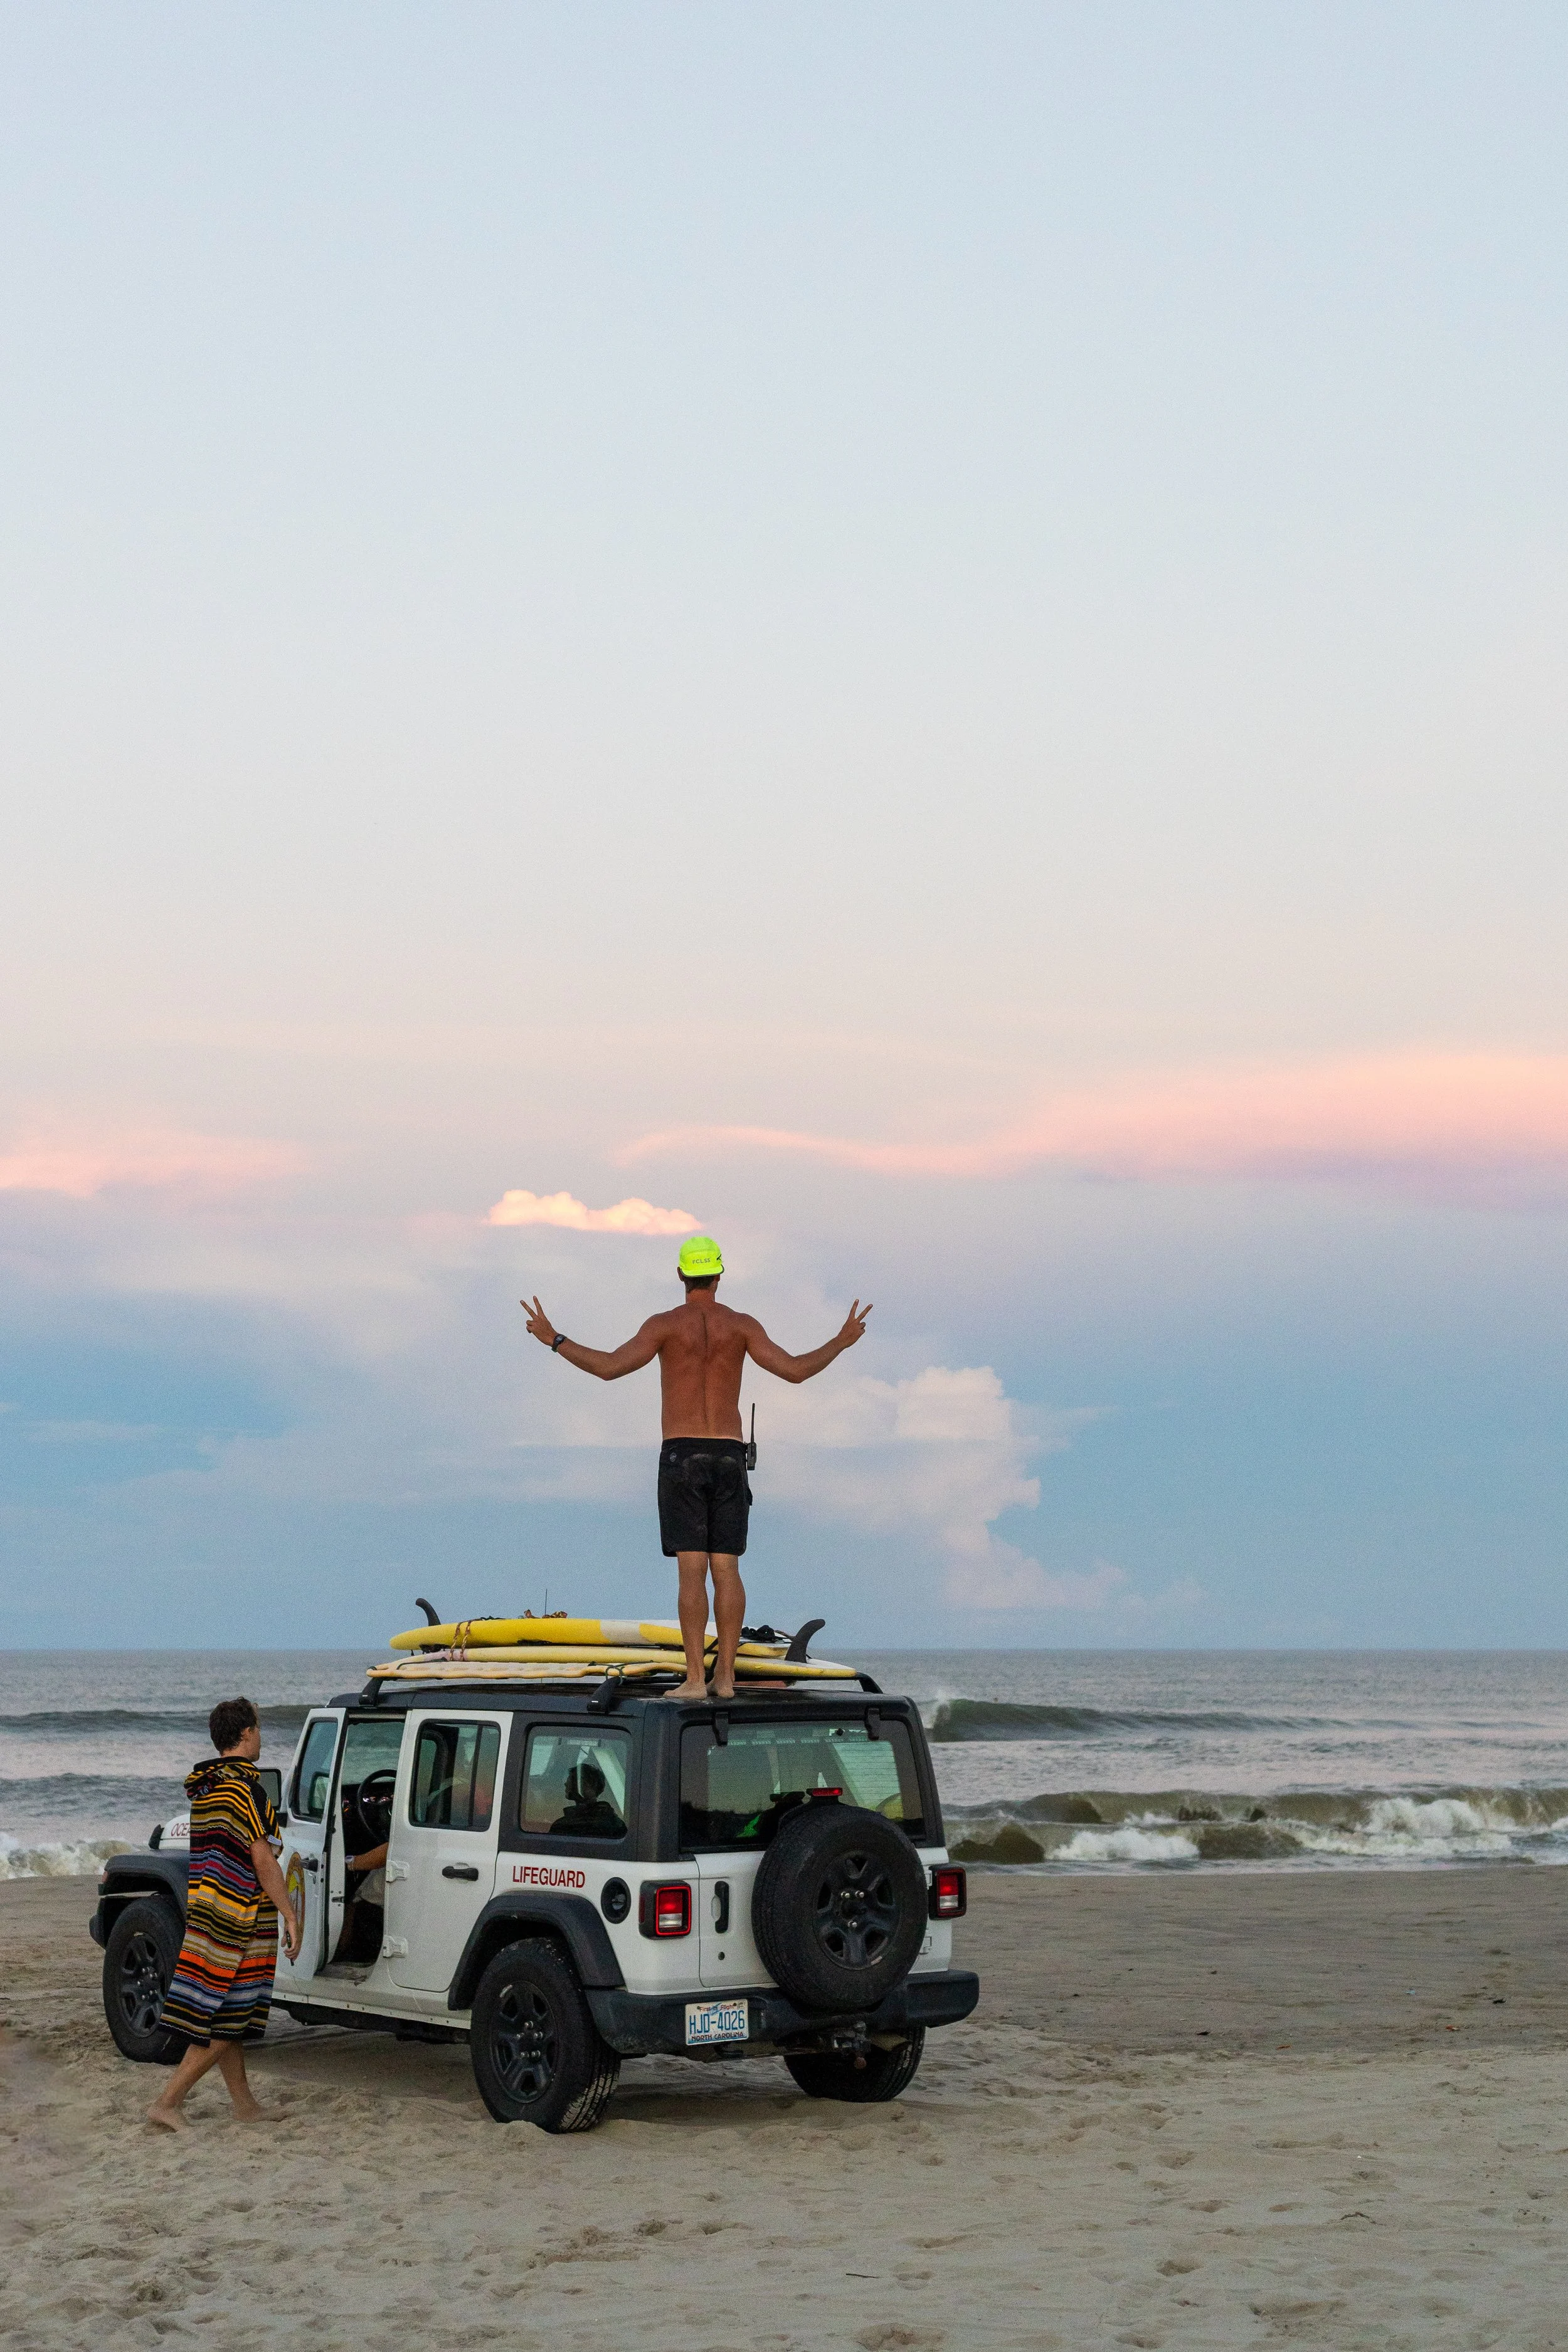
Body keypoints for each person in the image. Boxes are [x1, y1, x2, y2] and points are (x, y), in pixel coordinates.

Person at [523, 1235, 870, 1700]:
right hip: (728, 1454)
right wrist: (842, 1342)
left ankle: (693, 1679)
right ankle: (724, 1678)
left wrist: (555, 1340)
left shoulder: (664, 1326)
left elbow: (608, 1368)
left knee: (692, 1571)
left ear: (682, 1274)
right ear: (720, 1274)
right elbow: (795, 1370)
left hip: (682, 1453)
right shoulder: (742, 1326)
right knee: (727, 1569)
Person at [146, 1697, 302, 2131]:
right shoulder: (246, 1789)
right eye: (259, 1728)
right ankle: (168, 2102)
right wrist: (289, 1914)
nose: (261, 1737)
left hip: (208, 1912)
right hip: (241, 1919)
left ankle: (245, 2106)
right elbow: (262, 1859)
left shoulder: (208, 1787)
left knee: (224, 2013)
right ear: (247, 1733)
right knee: (227, 2018)